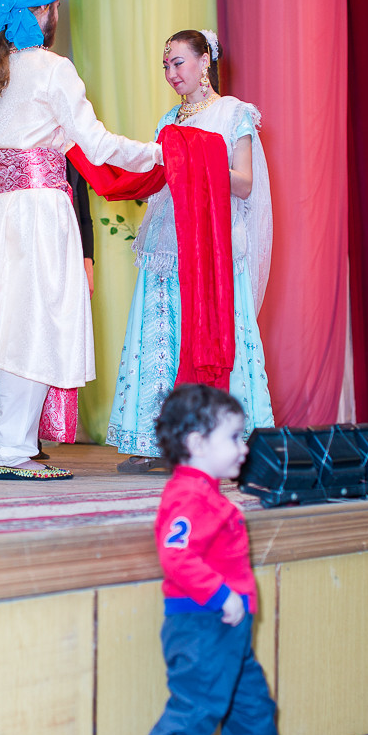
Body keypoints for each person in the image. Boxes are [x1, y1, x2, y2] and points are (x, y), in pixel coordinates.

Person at [0, 0, 162, 480]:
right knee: (33, 325)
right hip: (37, 212)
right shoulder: (52, 69)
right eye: (54, 9)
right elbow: (97, 144)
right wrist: (164, 153)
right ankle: (13, 452)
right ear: (45, 12)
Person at [106, 29, 274, 472]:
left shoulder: (233, 113)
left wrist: (199, 161)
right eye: (165, 65)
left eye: (178, 62)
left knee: (217, 333)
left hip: (215, 245)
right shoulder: (168, 121)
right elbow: (159, 181)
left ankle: (228, 440)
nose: (170, 73)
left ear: (205, 62)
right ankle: (153, 440)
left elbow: (244, 182)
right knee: (162, 333)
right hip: (169, 241)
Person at [126, 383, 283, 735]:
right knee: (196, 710)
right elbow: (176, 556)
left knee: (249, 701)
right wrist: (222, 596)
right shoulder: (187, 498)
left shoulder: (209, 495)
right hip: (202, 624)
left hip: (227, 627)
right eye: (234, 437)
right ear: (197, 444)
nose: (245, 447)